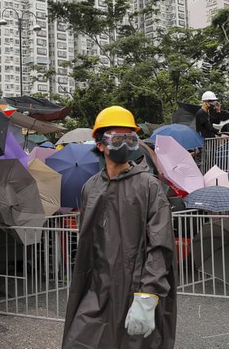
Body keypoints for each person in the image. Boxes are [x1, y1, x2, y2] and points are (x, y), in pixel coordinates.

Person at [62, 105, 177, 349]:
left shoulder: (149, 187)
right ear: (101, 144)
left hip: (136, 292)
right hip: (97, 292)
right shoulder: (91, 188)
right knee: (79, 341)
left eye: (130, 138)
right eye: (117, 138)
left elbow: (161, 243)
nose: (124, 144)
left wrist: (148, 294)